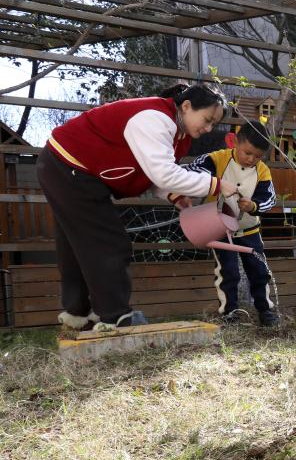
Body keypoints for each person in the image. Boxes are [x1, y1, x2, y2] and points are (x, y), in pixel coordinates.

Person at [36, 83, 238, 331]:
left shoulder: (179, 133)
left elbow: (150, 171)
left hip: (66, 167)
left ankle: (78, 313)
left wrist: (175, 195)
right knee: (108, 242)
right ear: (186, 106)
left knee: (77, 242)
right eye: (207, 120)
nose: (208, 129)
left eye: (213, 124)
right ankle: (114, 317)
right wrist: (216, 185)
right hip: (69, 166)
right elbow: (164, 173)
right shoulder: (154, 119)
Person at [188, 119, 280, 327]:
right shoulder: (216, 159)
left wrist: (254, 205)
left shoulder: (262, 170)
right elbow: (191, 172)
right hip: (219, 229)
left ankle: (265, 310)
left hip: (249, 230)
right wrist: (215, 183)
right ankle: (230, 314)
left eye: (257, 156)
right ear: (234, 142)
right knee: (227, 272)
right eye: (247, 153)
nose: (251, 159)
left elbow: (269, 198)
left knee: (259, 270)